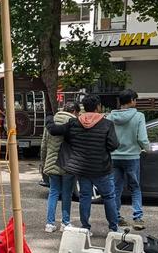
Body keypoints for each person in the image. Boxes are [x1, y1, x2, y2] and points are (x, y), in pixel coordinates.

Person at [47, 94, 120, 232]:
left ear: (84, 108)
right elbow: (114, 145)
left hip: (82, 168)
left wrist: (49, 118)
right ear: (98, 107)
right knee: (109, 196)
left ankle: (85, 227)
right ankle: (113, 228)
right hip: (102, 168)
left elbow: (54, 130)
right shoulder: (107, 124)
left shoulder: (74, 122)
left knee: (85, 197)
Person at [107, 89, 149, 230]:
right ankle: (137, 218)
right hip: (132, 157)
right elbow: (142, 138)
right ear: (131, 100)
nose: (136, 102)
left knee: (116, 188)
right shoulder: (139, 116)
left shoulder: (110, 117)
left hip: (114, 157)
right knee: (135, 188)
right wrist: (147, 148)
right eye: (135, 100)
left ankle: (116, 217)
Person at [41, 102, 79, 232]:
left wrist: (43, 161)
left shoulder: (51, 122)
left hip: (51, 162)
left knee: (53, 192)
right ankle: (65, 222)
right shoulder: (74, 122)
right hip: (68, 163)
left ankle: (50, 224)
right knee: (67, 194)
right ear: (74, 111)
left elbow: (44, 145)